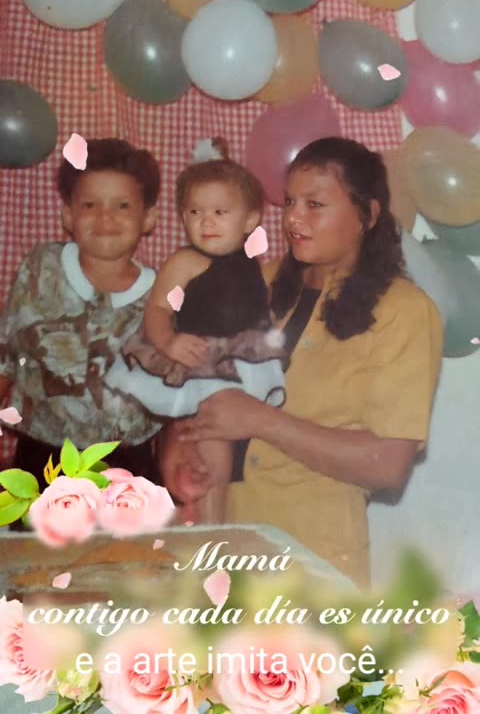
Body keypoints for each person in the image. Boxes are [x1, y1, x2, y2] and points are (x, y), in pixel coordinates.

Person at [160, 137, 444, 588]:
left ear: (368, 215)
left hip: (311, 562)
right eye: (290, 202)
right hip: (208, 550)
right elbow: (186, 386)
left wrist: (262, 421)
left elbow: (389, 465)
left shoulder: (404, 311)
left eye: (315, 204)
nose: (293, 217)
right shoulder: (252, 280)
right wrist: (178, 448)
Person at [105, 138, 285, 523]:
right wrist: (168, 341)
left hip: (240, 360)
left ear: (250, 220)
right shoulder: (186, 262)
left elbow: (252, 306)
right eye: (195, 212)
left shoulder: (252, 263)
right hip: (199, 361)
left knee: (228, 447)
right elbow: (158, 309)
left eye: (220, 212)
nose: (206, 221)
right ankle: (208, 524)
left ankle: (210, 521)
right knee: (210, 442)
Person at [0, 138, 162, 489]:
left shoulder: (162, 297)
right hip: (41, 454)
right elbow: (7, 354)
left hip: (126, 464)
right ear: (68, 215)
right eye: (90, 204)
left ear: (148, 218)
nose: (105, 217)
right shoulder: (41, 268)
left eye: (122, 205)